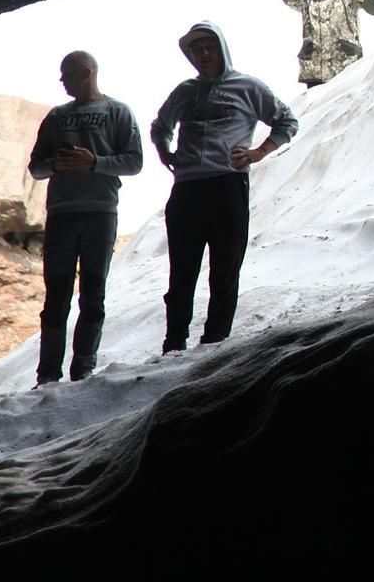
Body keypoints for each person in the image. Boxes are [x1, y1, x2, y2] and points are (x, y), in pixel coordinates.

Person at [150, 23, 299, 352]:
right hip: (187, 189)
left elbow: (287, 120)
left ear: (221, 48)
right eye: (196, 49)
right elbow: (160, 125)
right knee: (182, 272)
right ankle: (174, 343)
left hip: (226, 185)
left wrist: (258, 152)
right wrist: (166, 153)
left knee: (225, 268)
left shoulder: (247, 86)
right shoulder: (185, 92)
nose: (202, 54)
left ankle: (214, 342)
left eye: (208, 47)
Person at [26, 51, 144, 385]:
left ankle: (83, 371)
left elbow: (134, 162)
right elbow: (35, 167)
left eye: (67, 74)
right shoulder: (55, 116)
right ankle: (47, 375)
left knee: (93, 295)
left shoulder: (118, 112)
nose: (61, 80)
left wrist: (94, 162)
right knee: (56, 297)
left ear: (87, 72)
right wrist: (57, 165)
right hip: (62, 214)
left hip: (100, 212)